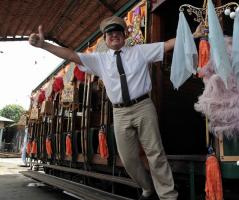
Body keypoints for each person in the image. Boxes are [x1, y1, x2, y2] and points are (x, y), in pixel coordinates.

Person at [29, 16, 203, 200]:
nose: (114, 36)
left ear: (125, 35)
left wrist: (193, 34)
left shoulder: (140, 51)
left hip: (143, 106)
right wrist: (44, 45)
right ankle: (147, 187)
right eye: (109, 33)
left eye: (117, 32)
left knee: (155, 153)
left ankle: (168, 196)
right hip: (119, 112)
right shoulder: (99, 60)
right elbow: (71, 55)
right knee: (127, 158)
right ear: (105, 39)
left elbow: (167, 44)